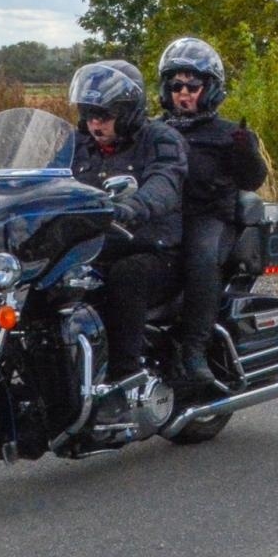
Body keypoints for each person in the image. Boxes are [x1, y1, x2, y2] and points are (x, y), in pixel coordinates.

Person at [158, 37, 269, 385]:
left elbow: (253, 179)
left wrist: (246, 151)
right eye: (176, 85)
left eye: (193, 85)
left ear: (210, 89)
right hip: (164, 217)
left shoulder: (227, 133)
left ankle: (195, 350)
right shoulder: (152, 130)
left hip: (210, 218)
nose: (183, 93)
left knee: (201, 258)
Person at [69, 62, 187, 381]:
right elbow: (45, 178)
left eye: (104, 115)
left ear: (128, 112)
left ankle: (125, 377)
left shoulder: (161, 139)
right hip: (92, 248)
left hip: (153, 250)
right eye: (89, 113)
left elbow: (165, 182)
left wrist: (133, 206)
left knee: (127, 275)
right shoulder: (75, 146)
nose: (95, 123)